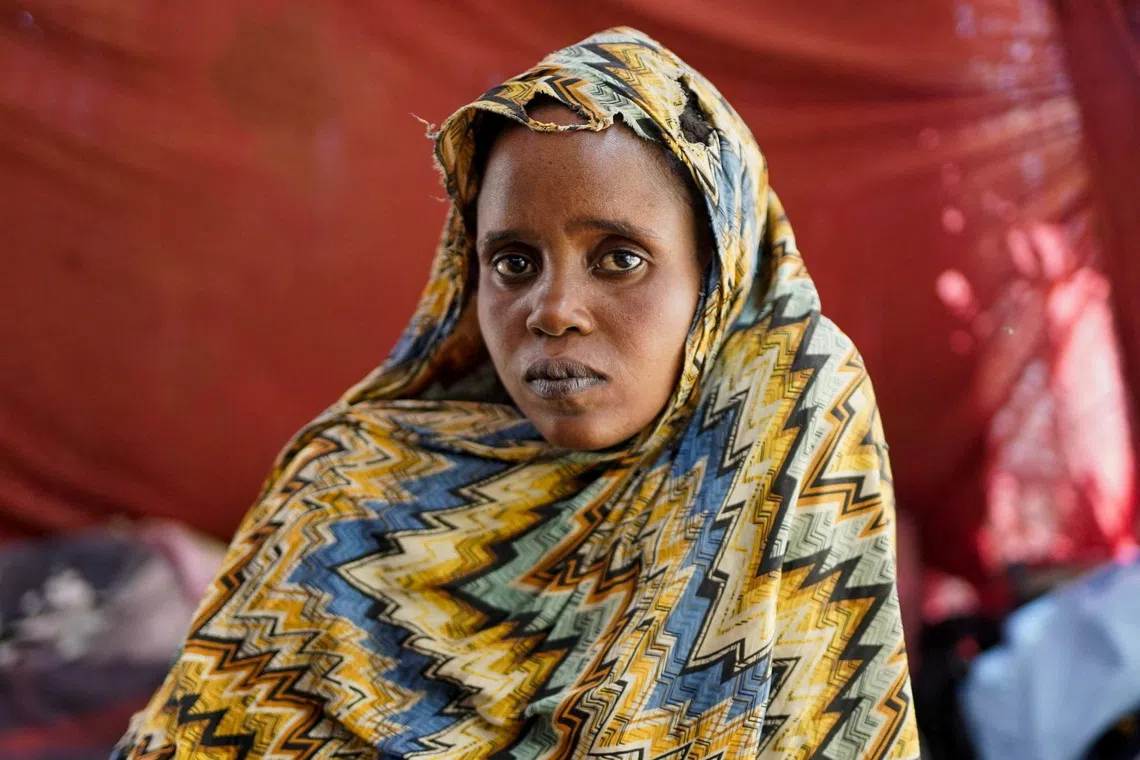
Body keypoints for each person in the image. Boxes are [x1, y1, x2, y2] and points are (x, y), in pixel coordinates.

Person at [114, 27, 919, 759]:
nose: (554, 311)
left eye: (619, 259)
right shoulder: (343, 499)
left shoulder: (782, 444)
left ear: (717, 282)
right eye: (513, 262)